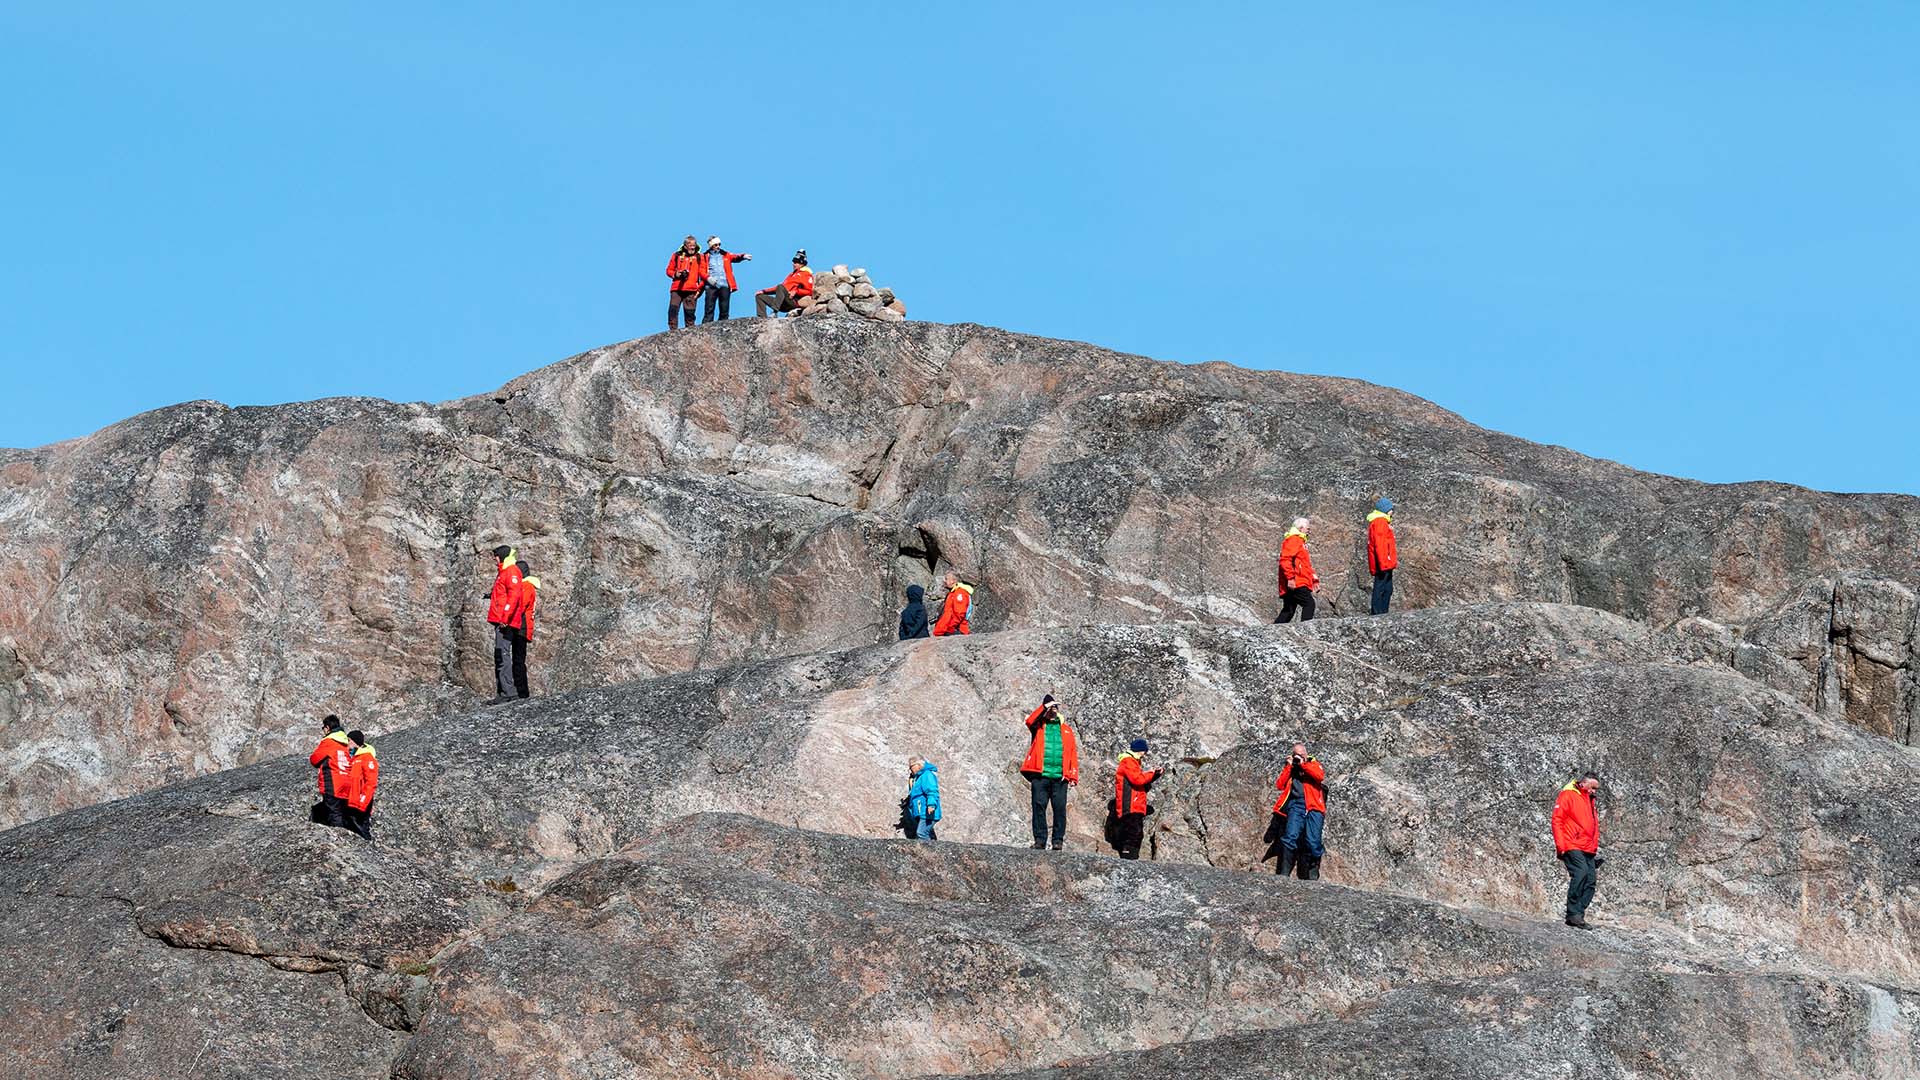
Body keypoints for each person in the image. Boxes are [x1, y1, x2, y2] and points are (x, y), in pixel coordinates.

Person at [1019, 694, 1078, 850]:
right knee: (1039, 806)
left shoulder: (1066, 730)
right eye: (1050, 707)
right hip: (1040, 775)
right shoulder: (1038, 726)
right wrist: (1044, 707)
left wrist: (1072, 775)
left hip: (1060, 777)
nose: (1053, 710)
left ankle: (1057, 840)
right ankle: (1040, 840)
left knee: (1059, 808)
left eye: (1055, 707)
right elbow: (1030, 720)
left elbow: (1072, 753)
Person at [1552, 772, 1602, 929]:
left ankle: (1577, 914)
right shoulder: (1568, 794)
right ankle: (1573, 913)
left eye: (1596, 788)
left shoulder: (1589, 799)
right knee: (1580, 873)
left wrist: (1593, 848)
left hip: (1587, 847)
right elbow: (1557, 820)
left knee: (1590, 881)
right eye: (1593, 787)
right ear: (1584, 783)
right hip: (1571, 844)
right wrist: (1562, 846)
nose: (1595, 791)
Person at [1271, 743, 1327, 879]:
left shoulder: (1313, 764)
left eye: (1302, 755)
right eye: (1297, 755)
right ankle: (1284, 872)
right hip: (1296, 805)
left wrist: (1303, 764)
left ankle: (1313, 869)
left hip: (1314, 807)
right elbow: (1280, 784)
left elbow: (1319, 776)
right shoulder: (1292, 768)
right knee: (1290, 836)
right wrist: (1289, 766)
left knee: (1313, 841)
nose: (1299, 757)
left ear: (1306, 754)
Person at [1111, 739, 1162, 861]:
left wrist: (1154, 775)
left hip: (1134, 803)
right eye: (1144, 751)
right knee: (1133, 831)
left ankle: (1130, 855)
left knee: (1134, 831)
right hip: (1130, 803)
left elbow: (1139, 781)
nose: (1145, 754)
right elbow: (1137, 780)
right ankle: (1128, 856)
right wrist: (1152, 773)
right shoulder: (1128, 761)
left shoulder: (1132, 761)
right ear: (1141, 750)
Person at [486, 546, 524, 704]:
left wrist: (505, 617)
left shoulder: (511, 571)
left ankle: (509, 692)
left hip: (505, 622)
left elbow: (514, 596)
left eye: (496, 557)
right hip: (501, 620)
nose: (494, 560)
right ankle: (504, 691)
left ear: (501, 556)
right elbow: (504, 595)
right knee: (501, 654)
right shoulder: (505, 572)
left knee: (503, 654)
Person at [308, 714, 356, 830]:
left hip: (334, 783)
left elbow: (314, 759)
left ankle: (340, 839)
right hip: (348, 782)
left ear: (328, 728)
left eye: (323, 728)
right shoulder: (346, 743)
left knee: (334, 812)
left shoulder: (329, 741)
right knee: (342, 811)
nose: (323, 731)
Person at [1275, 518, 1319, 623]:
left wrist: (1315, 581)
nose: (1310, 531)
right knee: (1309, 604)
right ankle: (1306, 630)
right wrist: (1290, 578)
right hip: (1297, 581)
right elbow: (1285, 560)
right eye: (1308, 528)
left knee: (1288, 611)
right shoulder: (1295, 540)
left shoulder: (1301, 542)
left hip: (1295, 581)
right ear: (1300, 528)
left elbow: (1306, 565)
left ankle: (1271, 633)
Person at [507, 563, 540, 699]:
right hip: (521, 626)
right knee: (517, 659)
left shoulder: (526, 586)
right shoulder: (526, 585)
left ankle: (522, 692)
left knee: (518, 660)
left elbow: (520, 606)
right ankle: (520, 691)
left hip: (522, 627)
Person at [700, 236, 751, 323]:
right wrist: (708, 278)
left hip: (725, 285)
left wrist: (743, 256)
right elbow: (701, 270)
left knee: (724, 308)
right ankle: (706, 329)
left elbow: (735, 257)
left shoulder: (725, 254)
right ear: (711, 245)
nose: (718, 246)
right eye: (716, 245)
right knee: (709, 308)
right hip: (711, 285)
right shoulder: (704, 256)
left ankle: (723, 328)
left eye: (719, 244)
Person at [754, 251, 815, 317]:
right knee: (759, 296)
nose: (793, 264)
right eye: (793, 262)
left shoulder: (806, 274)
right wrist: (764, 291)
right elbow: (780, 288)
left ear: (802, 264)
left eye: (796, 262)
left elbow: (809, 291)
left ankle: (774, 312)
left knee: (780, 287)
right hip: (781, 302)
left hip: (792, 302)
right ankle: (762, 319)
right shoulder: (791, 275)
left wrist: (796, 291)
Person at [344, 729, 379, 843]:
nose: (347, 743)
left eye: (349, 740)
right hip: (352, 803)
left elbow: (371, 783)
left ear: (355, 742)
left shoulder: (367, 758)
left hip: (361, 804)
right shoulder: (355, 758)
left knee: (363, 832)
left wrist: (362, 801)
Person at [666, 235, 707, 330]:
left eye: (694, 245)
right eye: (690, 245)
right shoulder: (676, 256)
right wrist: (676, 274)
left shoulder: (700, 257)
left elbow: (704, 274)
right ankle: (672, 332)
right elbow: (668, 270)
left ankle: (690, 333)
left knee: (690, 314)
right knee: (673, 310)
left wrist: (700, 289)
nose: (692, 247)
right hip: (677, 288)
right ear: (685, 246)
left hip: (692, 289)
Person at [1367, 498, 1398, 615]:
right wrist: (1384, 562)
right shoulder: (1380, 522)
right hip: (1383, 562)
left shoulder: (1381, 522)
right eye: (1390, 509)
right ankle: (1378, 613)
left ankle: (1382, 612)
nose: (1392, 511)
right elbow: (1380, 544)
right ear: (1385, 509)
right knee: (1381, 588)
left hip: (1385, 561)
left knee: (1387, 588)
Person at [905, 757, 942, 841]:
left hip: (927, 810)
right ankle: (935, 850)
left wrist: (931, 805)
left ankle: (929, 852)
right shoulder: (918, 778)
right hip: (921, 810)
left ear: (918, 765)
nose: (910, 769)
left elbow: (932, 791)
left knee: (921, 833)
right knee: (927, 833)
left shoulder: (926, 775)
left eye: (911, 767)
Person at [931, 573, 974, 637]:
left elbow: (959, 613)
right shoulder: (953, 592)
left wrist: (949, 628)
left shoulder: (959, 593)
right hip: (946, 630)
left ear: (953, 581)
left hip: (954, 631)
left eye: (946, 579)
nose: (944, 581)